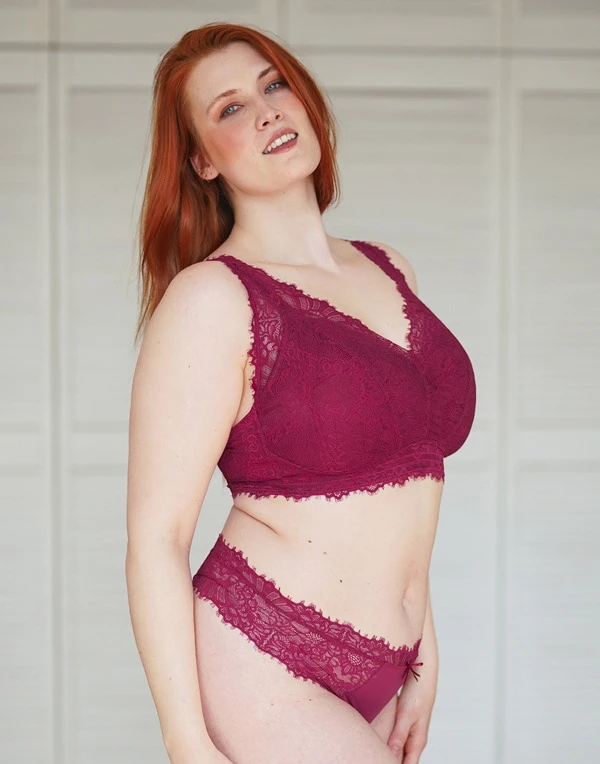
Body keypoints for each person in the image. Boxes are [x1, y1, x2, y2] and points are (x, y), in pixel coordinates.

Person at [125, 21, 476, 764]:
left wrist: (424, 645)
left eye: (274, 84)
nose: (266, 111)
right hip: (266, 659)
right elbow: (157, 537)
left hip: (391, 663)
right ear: (201, 160)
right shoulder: (212, 299)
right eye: (229, 108)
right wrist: (186, 742)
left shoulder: (391, 268)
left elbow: (409, 473)